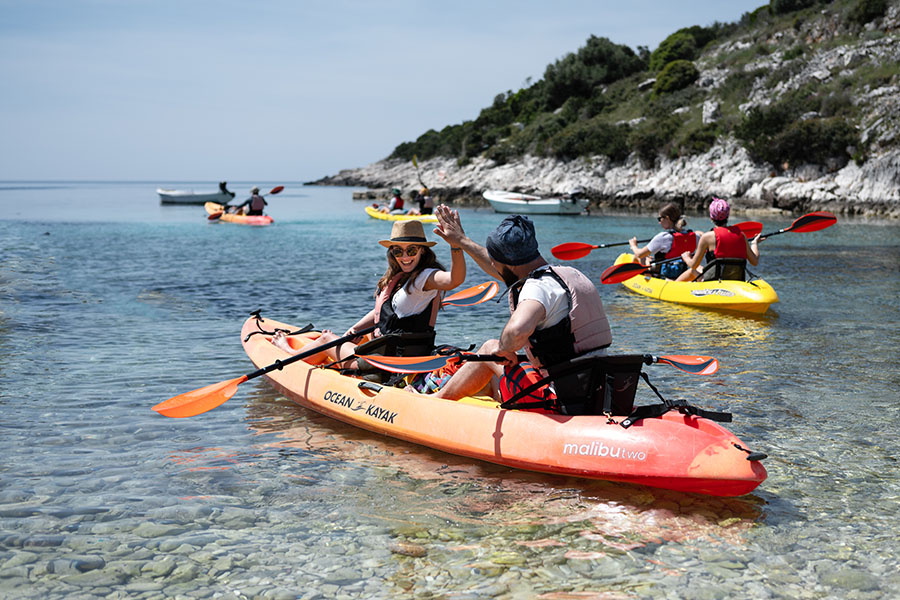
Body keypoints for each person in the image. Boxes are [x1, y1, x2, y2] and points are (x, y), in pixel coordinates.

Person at [430, 211, 613, 413]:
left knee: (490, 348)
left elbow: (516, 331)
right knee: (493, 376)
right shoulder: (570, 275)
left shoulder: (537, 288)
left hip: (556, 401)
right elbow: (502, 270)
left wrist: (504, 348)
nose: (492, 265)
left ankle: (435, 401)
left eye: (494, 260)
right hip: (593, 391)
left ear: (509, 263)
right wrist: (462, 241)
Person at [271, 217, 465, 366]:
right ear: (392, 253)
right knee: (338, 339)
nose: (404, 257)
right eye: (398, 251)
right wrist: (356, 329)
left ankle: (288, 352)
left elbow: (453, 279)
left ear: (423, 251)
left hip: (384, 363)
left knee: (326, 338)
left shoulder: (425, 278)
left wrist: (456, 244)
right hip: (393, 356)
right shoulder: (401, 279)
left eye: (411, 250)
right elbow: (383, 312)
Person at [677, 197, 761, 282]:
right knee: (699, 268)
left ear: (711, 217)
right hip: (736, 281)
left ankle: (668, 290)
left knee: (692, 271)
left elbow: (693, 265)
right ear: (727, 216)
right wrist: (754, 243)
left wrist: (686, 257)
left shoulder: (707, 237)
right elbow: (754, 262)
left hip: (715, 283)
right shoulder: (741, 235)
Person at [628, 203, 695, 280]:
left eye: (660, 219)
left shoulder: (663, 237)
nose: (659, 222)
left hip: (665, 273)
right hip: (682, 271)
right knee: (648, 258)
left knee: (640, 256)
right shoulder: (692, 235)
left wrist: (633, 246)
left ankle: (641, 277)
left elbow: (639, 254)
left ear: (667, 218)